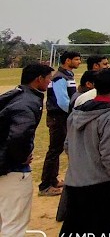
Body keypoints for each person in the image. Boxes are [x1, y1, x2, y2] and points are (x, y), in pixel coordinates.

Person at [60, 66, 110, 235]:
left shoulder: (78, 109)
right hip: (99, 183)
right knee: (102, 226)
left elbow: (67, 145)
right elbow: (109, 154)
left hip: (75, 180)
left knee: (74, 226)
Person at [0, 63, 53, 236]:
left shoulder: (15, 95)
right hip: (12, 170)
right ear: (39, 79)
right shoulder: (27, 103)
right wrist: (21, 156)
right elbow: (19, 134)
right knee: (14, 224)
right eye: (48, 79)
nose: (49, 83)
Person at [39, 50, 81, 196]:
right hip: (58, 117)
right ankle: (45, 185)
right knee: (54, 150)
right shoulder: (59, 77)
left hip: (63, 117)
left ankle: (53, 180)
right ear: (67, 61)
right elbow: (62, 101)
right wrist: (73, 112)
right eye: (76, 59)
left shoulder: (68, 75)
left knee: (58, 149)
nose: (79, 62)